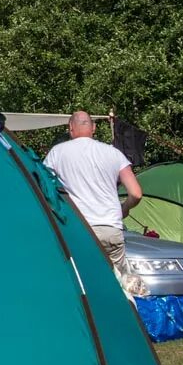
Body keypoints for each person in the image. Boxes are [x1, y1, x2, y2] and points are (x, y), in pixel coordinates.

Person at [44, 111, 144, 294]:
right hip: (110, 228)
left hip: (79, 229)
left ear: (70, 129)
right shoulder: (114, 154)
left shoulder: (57, 153)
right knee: (121, 287)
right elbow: (136, 193)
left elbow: (44, 187)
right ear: (94, 128)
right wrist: (125, 208)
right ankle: (127, 319)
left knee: (84, 286)